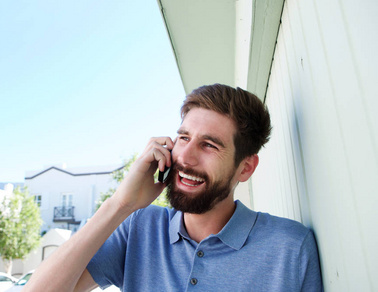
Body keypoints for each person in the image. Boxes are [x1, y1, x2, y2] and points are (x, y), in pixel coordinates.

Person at [24, 84, 323, 291]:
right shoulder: (139, 226)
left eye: (208, 145)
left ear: (245, 167)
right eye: (183, 138)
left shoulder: (291, 247)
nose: (185, 157)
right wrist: (120, 205)